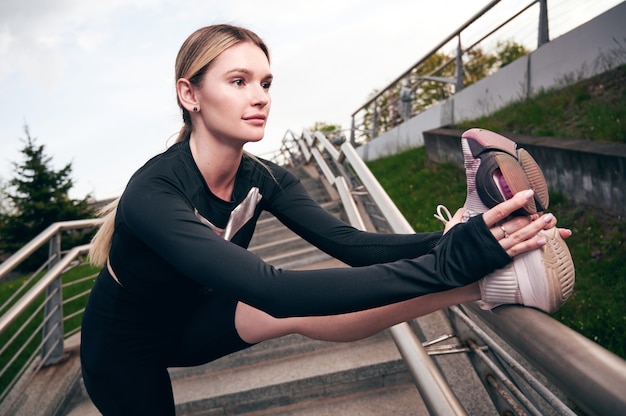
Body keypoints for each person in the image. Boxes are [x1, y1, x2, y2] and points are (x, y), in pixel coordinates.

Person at [80, 24, 572, 415]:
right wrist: (448, 262)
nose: (261, 96)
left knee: (293, 313)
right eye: (239, 81)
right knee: (281, 300)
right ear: (190, 95)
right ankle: (470, 270)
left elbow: (355, 246)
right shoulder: (154, 191)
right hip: (123, 348)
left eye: (266, 83)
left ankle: (491, 285)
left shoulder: (266, 178)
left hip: (195, 314)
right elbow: (274, 287)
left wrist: (458, 240)